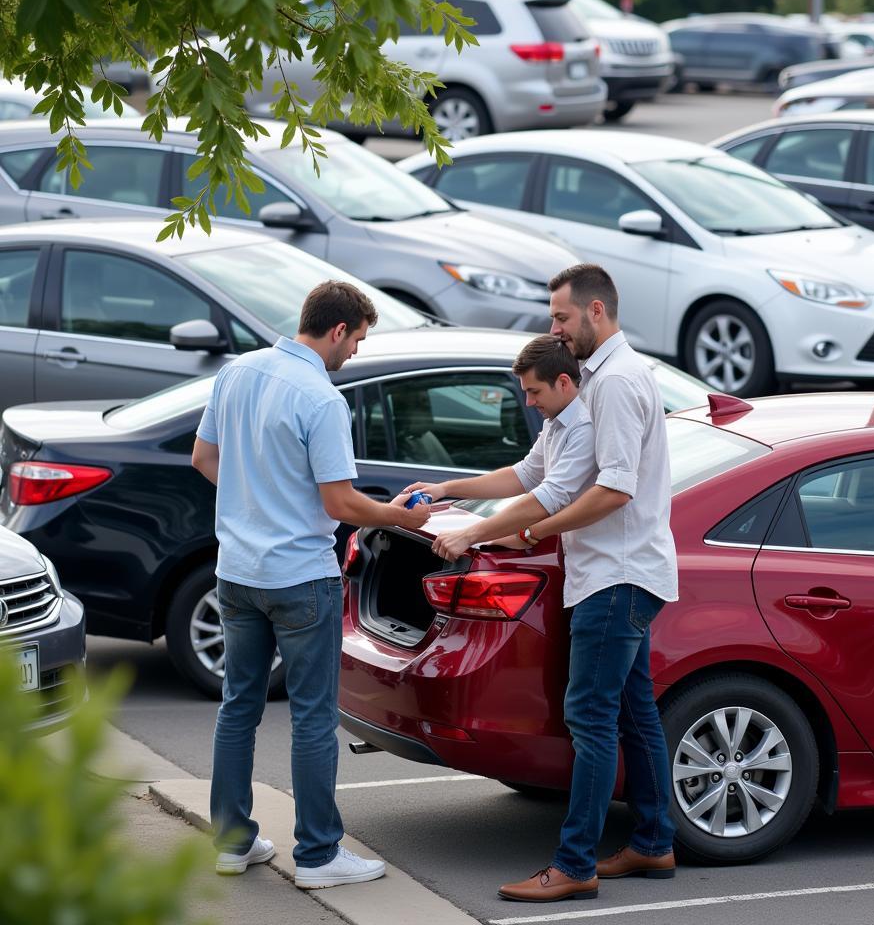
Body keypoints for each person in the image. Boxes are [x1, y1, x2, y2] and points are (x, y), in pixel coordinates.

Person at [191, 280, 431, 890]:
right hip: (300, 577)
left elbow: (204, 458)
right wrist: (402, 516)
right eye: (357, 341)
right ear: (337, 331)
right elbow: (340, 500)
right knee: (314, 718)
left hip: (237, 572)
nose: (354, 353)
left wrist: (256, 502)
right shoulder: (322, 399)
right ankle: (320, 855)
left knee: (237, 706)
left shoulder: (237, 372)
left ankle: (232, 840)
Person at [497, 263, 679, 903]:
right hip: (621, 572)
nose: (555, 329)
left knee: (591, 718)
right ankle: (654, 844)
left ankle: (575, 865)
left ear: (595, 312)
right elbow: (539, 477)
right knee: (633, 713)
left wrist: (533, 533)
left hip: (617, 575)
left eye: (561, 318)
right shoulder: (604, 380)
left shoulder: (618, 382)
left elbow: (615, 489)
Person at [405, 333, 596, 561]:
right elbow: (523, 475)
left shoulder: (585, 426)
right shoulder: (557, 422)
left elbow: (549, 497)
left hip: (604, 571)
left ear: (563, 383)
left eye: (534, 391)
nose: (529, 402)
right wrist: (445, 489)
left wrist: (468, 535)